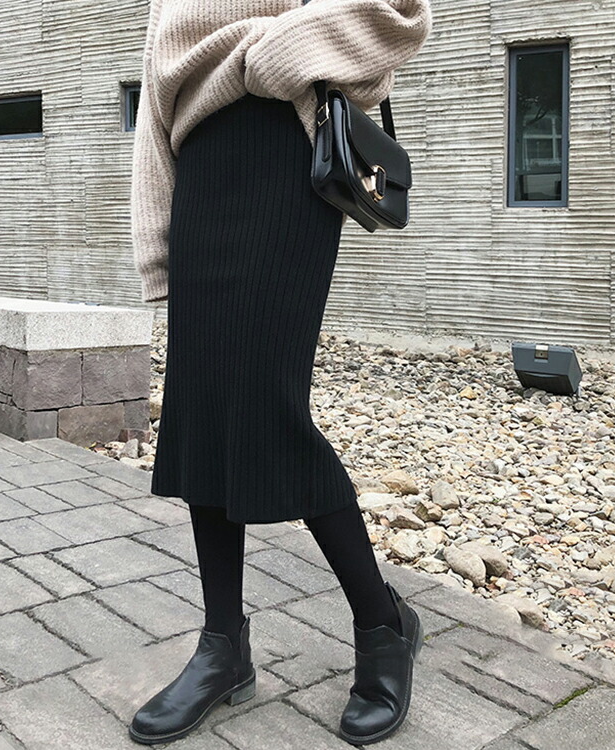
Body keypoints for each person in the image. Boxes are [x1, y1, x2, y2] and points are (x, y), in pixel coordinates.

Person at [129, 1, 433, 745]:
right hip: (200, 165)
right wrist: (155, 238)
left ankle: (382, 623)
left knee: (269, 409)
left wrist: (275, 51)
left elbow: (399, 13)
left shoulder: (274, 64)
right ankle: (223, 647)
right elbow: (157, 84)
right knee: (201, 408)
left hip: (283, 152)